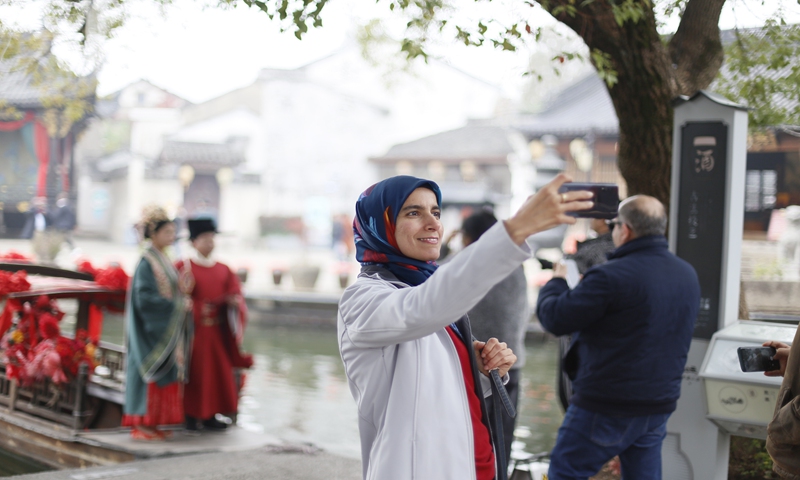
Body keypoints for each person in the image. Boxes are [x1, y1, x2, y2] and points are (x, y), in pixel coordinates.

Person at [337, 173, 593, 480]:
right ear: (380, 225)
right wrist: (517, 228)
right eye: (413, 212)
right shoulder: (364, 299)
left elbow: (436, 388)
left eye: (435, 212)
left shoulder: (422, 288)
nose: (433, 224)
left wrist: (478, 369)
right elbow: (427, 307)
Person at [536, 195, 701, 480]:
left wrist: (557, 281)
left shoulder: (610, 277)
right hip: (657, 403)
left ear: (625, 230)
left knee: (565, 471)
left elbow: (555, 318)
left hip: (606, 402)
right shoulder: (686, 273)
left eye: (614, 225)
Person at [460, 209, 529, 467]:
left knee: (473, 443)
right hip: (512, 364)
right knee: (501, 441)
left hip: (480, 367)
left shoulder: (469, 265)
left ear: (470, 238)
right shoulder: (514, 264)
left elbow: (435, 283)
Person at [123, 206, 194, 441]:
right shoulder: (146, 262)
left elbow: (169, 293)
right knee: (148, 374)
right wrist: (176, 307)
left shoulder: (163, 259)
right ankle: (141, 425)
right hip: (148, 331)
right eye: (167, 232)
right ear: (153, 235)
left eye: (173, 232)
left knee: (163, 375)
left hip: (163, 328)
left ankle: (155, 424)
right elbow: (145, 299)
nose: (172, 237)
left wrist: (182, 294)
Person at [176, 218, 253, 432]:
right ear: (193, 242)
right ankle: (191, 415)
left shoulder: (224, 269)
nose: (210, 243)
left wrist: (233, 302)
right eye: (205, 238)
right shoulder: (184, 267)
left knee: (217, 374)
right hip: (194, 331)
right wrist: (194, 307)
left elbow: (236, 293)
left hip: (218, 330)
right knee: (196, 373)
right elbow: (176, 298)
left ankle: (211, 415)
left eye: (212, 238)